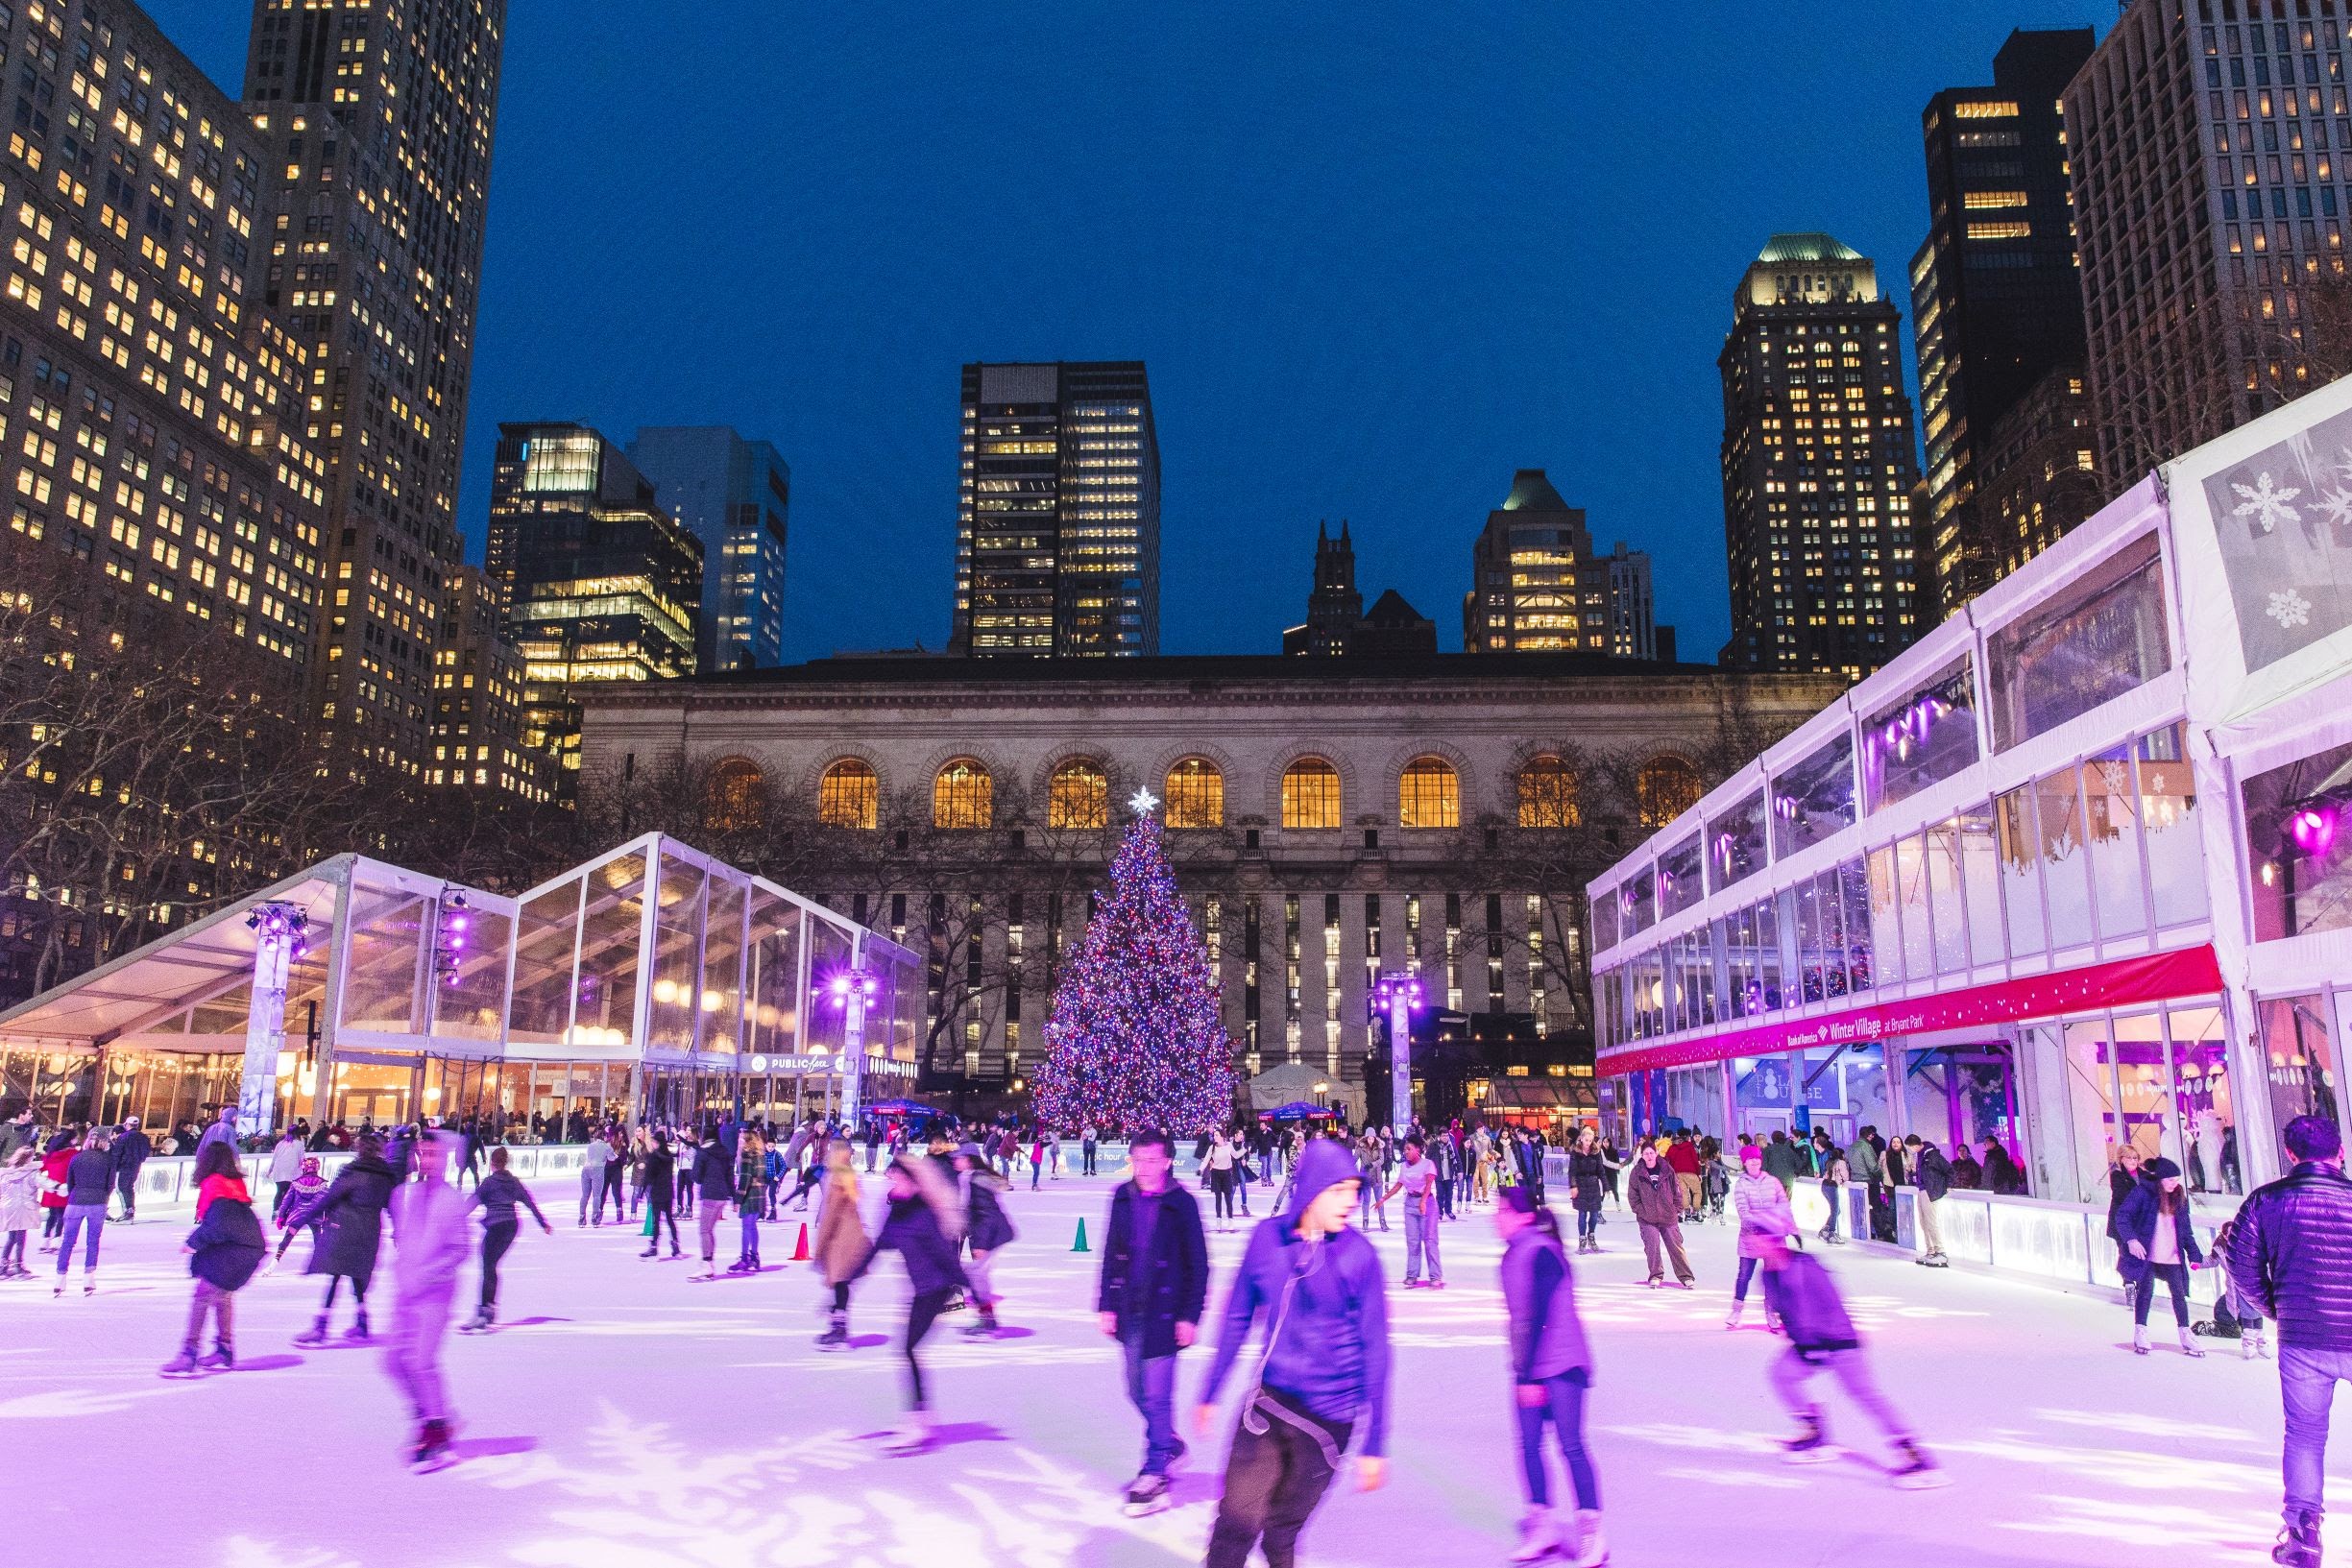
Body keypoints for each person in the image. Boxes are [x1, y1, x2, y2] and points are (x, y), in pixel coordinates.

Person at [1195, 1136, 1392, 1568]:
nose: (1351, 1202)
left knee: (1281, 1535)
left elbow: (1376, 1350)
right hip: (1269, 1406)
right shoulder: (1267, 1240)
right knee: (1233, 1527)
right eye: (1338, 1191)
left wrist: (1375, 1442)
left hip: (1328, 1424)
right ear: (1311, 1191)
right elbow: (1236, 1319)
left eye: (1355, 1191)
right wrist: (1210, 1390)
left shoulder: (1360, 1256)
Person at [2227, 1115, 2352, 1568]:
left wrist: (2277, 1309)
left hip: (2303, 1340)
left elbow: (2241, 1267)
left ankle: (2304, 1534)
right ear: (2340, 1152)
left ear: (2291, 1155)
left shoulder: (2265, 1201)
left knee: (2304, 1436)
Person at [1759, 1232, 1945, 1488]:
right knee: (1782, 1374)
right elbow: (1785, 1311)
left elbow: (1830, 1305)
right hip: (1808, 1344)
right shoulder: (1768, 1274)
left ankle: (1914, 1454)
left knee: (1865, 1394)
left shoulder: (1806, 1266)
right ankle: (1814, 1431)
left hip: (1838, 1342)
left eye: (1759, 1238)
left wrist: (1820, 1341)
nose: (1753, 1244)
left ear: (1775, 1240)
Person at [1096, 1128, 1210, 1516]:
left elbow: (1199, 1265)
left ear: (1166, 1162)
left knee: (1159, 1396)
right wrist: (1106, 1304)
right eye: (1137, 1160)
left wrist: (1190, 1316)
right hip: (1131, 1310)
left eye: (1151, 1160)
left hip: (1166, 1312)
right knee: (1134, 1390)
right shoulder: (1122, 1198)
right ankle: (1169, 1444)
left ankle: (1154, 1469)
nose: (1143, 1168)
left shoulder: (1182, 1204)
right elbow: (1111, 1253)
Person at [1495, 1186, 1606, 1566]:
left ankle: (1592, 1531)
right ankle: (1541, 1523)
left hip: (1562, 1365)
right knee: (1528, 1446)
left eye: (1504, 1210)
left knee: (1571, 1445)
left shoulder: (1541, 1252)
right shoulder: (1515, 1253)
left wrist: (1527, 1375)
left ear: (1525, 1216)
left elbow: (1539, 1316)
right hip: (1531, 1366)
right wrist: (1522, 1371)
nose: (1498, 1217)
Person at [849, 1152, 967, 1455]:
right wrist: (851, 1277)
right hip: (921, 1289)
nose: (893, 1182)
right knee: (909, 1350)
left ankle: (919, 1420)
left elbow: (946, 1259)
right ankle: (922, 1416)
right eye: (892, 1177)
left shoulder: (924, 1216)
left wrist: (977, 1294)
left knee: (908, 1349)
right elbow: (880, 1246)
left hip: (938, 1290)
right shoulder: (898, 1213)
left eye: (899, 1178)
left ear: (915, 1184)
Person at [383, 1132, 473, 1470]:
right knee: (392, 1361)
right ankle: (432, 1414)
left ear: (446, 1158)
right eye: (424, 1153)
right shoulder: (402, 1196)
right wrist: (405, 1271)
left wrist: (428, 1274)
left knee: (421, 1362)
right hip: (405, 1291)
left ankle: (434, 1430)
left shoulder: (452, 1201)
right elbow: (400, 1238)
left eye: (436, 1155)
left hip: (436, 1294)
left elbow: (461, 1250)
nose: (429, 1160)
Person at [160, 1142, 265, 1376]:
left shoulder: (215, 1184)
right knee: (222, 1295)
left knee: (203, 1296)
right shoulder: (234, 1182)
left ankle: (189, 1353)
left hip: (235, 1248)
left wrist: (193, 1243)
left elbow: (217, 1223)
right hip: (248, 1244)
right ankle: (224, 1348)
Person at [287, 1133, 397, 1344]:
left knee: (336, 1276)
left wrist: (301, 1219)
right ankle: (362, 1322)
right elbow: (391, 1204)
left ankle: (321, 1326)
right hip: (370, 1230)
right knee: (356, 1277)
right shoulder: (386, 1176)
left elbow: (328, 1198)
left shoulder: (353, 1173)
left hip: (346, 1229)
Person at [2115, 1154, 2205, 1357]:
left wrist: (2194, 1254)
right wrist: (2132, 1240)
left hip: (2171, 1254)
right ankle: (2141, 1331)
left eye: (2177, 1179)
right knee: (2145, 1292)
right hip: (2147, 1253)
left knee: (2179, 1294)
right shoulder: (2143, 1193)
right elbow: (2122, 1216)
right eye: (2171, 1179)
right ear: (2161, 1178)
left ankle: (2185, 1333)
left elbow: (2185, 1230)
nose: (2175, 1183)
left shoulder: (2178, 1197)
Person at [461, 1147, 551, 1333]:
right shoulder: (513, 1182)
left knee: (488, 1265)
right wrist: (543, 1223)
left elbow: (471, 1204)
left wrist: (452, 1218)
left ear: (492, 1164)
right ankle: (488, 1310)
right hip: (510, 1226)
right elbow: (529, 1202)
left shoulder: (489, 1183)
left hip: (496, 1226)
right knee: (491, 1265)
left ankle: (484, 1312)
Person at [1728, 1142, 1793, 1331]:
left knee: (1773, 1277)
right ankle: (1736, 1310)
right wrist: (1760, 1225)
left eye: (1757, 1159)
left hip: (1773, 1239)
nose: (1755, 1163)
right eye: (1750, 1160)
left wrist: (1786, 1225)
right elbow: (1743, 1211)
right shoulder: (1741, 1185)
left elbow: (1783, 1204)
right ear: (1745, 1163)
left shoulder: (1772, 1181)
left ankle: (1771, 1312)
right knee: (1744, 1275)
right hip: (1751, 1238)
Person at [954, 1142, 1016, 1337]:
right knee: (978, 1277)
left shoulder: (976, 1180)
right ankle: (987, 1318)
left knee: (974, 1275)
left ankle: (987, 1319)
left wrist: (980, 1244)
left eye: (959, 1158)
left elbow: (986, 1214)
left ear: (969, 1160)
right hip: (987, 1234)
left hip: (990, 1235)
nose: (956, 1161)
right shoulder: (971, 1177)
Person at [814, 1143, 866, 1350]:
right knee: (841, 1283)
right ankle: (838, 1326)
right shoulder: (848, 1174)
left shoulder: (837, 1178)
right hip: (853, 1236)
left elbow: (831, 1215)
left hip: (839, 1239)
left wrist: (821, 1245)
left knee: (839, 1284)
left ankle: (839, 1330)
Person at [1626, 1138, 1695, 1288]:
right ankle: (1656, 1274)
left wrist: (1676, 1209)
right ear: (1642, 1155)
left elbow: (1677, 1191)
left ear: (1656, 1153)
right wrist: (1641, 1211)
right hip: (1647, 1218)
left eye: (1651, 1153)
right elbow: (1633, 1195)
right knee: (1652, 1245)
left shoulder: (1667, 1169)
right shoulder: (1637, 1172)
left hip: (1668, 1215)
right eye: (1646, 1154)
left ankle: (1686, 1276)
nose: (1649, 1156)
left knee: (1676, 1246)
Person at [54, 1127, 112, 1296]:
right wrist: (103, 1197)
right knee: (92, 1242)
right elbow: (110, 1184)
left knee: (67, 1242)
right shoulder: (108, 1160)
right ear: (105, 1140)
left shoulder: (76, 1157)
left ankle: (60, 1280)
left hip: (75, 1202)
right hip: (97, 1202)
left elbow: (70, 1182)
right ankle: (88, 1279)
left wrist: (76, 1194)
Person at [1386, 1134, 1444, 1288]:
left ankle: (1435, 1275)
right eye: (1405, 1149)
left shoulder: (1428, 1164)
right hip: (1410, 1204)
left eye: (1409, 1148)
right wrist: (1383, 1199)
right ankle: (1412, 1275)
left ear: (1418, 1149)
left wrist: (1424, 1201)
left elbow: (1428, 1184)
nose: (1405, 1151)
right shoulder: (1404, 1166)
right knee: (1412, 1242)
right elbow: (1399, 1184)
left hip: (1428, 1204)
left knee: (1430, 1241)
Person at [691, 1125, 736, 1277]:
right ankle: (709, 1263)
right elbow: (730, 1177)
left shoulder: (703, 1152)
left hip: (710, 1194)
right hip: (722, 1197)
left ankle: (706, 1263)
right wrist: (735, 1198)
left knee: (704, 1230)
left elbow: (696, 1176)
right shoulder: (724, 1152)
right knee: (709, 1230)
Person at [1904, 1134, 1952, 1267]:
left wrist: (1947, 1186)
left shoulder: (1932, 1156)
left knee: (1931, 1222)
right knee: (1923, 1222)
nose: (1909, 1151)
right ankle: (1930, 1250)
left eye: (1909, 1148)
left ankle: (1940, 1251)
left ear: (1914, 1146)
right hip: (1922, 1190)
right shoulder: (1920, 1156)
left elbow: (1949, 1170)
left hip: (1931, 1192)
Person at [272, 1156, 329, 1266]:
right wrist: (327, 1217)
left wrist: (280, 1216)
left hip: (297, 1217)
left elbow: (286, 1201)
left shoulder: (295, 1183)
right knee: (318, 1238)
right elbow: (328, 1202)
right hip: (314, 1217)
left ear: (303, 1168)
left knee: (287, 1239)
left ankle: (275, 1260)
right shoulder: (322, 1184)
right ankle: (321, 1262)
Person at [1566, 1126, 1614, 1255]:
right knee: (1582, 1214)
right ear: (1581, 1139)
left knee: (1594, 1214)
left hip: (1593, 1186)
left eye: (1590, 1140)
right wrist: (1573, 1186)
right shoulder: (1575, 1152)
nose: (1588, 1142)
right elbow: (1572, 1172)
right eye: (1586, 1140)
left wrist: (1606, 1186)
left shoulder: (1596, 1152)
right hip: (1581, 1186)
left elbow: (1601, 1170)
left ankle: (1591, 1236)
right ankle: (1582, 1239)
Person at [639, 1133, 681, 1260]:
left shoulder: (654, 1156)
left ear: (657, 1142)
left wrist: (642, 1191)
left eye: (653, 1141)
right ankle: (675, 1244)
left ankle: (654, 1247)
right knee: (669, 1219)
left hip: (657, 1191)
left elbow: (649, 1175)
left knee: (656, 1220)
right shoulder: (669, 1156)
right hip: (668, 1191)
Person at [732, 1125, 768, 1271]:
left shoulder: (748, 1154)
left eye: (742, 1138)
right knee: (752, 1226)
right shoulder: (760, 1154)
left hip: (750, 1194)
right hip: (759, 1193)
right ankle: (754, 1257)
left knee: (746, 1227)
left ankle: (744, 1258)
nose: (740, 1141)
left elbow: (745, 1178)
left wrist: (738, 1198)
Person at [0, 1146, 38, 1278]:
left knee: (11, 1238)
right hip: (23, 1207)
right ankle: (18, 1265)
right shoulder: (31, 1173)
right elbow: (43, 1182)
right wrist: (58, 1187)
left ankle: (3, 1266)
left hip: (9, 1207)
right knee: (21, 1238)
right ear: (27, 1159)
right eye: (31, 1156)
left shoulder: (5, 1174)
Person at [2105, 1145, 2144, 1271]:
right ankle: (2128, 1283)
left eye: (2135, 1158)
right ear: (2121, 1159)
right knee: (2126, 1253)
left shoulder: (2144, 1175)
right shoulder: (2117, 1176)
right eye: (2130, 1158)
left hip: (2138, 1222)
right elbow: (2122, 1196)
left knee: (2140, 1255)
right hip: (2122, 1223)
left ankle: (2138, 1283)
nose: (2133, 1161)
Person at [110, 1116, 153, 1221]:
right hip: (136, 1166)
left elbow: (117, 1153)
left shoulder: (124, 1137)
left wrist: (113, 1167)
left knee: (122, 1188)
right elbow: (146, 1151)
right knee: (129, 1187)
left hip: (124, 1166)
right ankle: (130, 1210)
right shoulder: (143, 1137)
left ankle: (127, 1211)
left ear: (127, 1124)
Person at [1815, 1135, 1850, 1245]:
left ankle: (1824, 1230)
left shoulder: (1830, 1162)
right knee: (1835, 1211)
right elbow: (1846, 1177)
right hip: (1832, 1186)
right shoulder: (1841, 1162)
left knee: (1836, 1210)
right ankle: (1831, 1233)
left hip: (1824, 1186)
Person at [267, 1128, 305, 1224]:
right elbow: (302, 1160)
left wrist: (270, 1170)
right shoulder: (299, 1144)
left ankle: (275, 1212)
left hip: (279, 1171)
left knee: (279, 1191)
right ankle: (285, 1214)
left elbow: (274, 1158)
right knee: (289, 1194)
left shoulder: (281, 1143)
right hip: (292, 1171)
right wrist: (304, 1171)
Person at [1206, 1129, 1241, 1232]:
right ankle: (1219, 1221)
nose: (1214, 1137)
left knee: (1228, 1198)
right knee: (1218, 1198)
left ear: (1222, 1136)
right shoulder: (1212, 1147)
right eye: (1214, 1135)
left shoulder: (1229, 1145)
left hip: (1226, 1174)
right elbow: (1206, 1159)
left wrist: (1244, 1150)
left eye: (1216, 1135)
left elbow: (1236, 1155)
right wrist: (1200, 1169)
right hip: (1216, 1174)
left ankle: (1230, 1220)